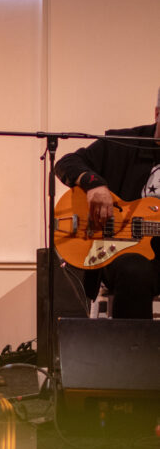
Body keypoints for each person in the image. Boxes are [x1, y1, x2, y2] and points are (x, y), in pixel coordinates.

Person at [55, 88, 160, 318]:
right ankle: (131, 342)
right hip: (121, 254)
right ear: (156, 113)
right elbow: (67, 163)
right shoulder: (125, 143)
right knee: (134, 270)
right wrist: (94, 184)